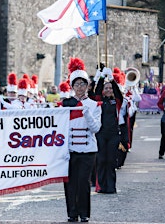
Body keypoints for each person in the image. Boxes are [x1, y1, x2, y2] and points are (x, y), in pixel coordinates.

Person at [61, 58, 101, 222]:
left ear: (88, 86)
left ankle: (84, 213)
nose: (79, 88)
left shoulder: (94, 105)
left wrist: (86, 112)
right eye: (76, 84)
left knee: (84, 183)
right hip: (70, 150)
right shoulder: (66, 104)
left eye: (83, 84)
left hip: (87, 150)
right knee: (70, 183)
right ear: (72, 86)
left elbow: (96, 128)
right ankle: (72, 213)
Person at [93, 70, 126, 194]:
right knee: (101, 160)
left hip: (113, 134)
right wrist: (101, 78)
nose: (108, 90)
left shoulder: (117, 101)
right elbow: (96, 91)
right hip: (101, 134)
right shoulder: (99, 100)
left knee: (111, 161)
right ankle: (101, 186)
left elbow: (118, 93)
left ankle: (111, 187)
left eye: (110, 88)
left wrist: (112, 80)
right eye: (106, 88)